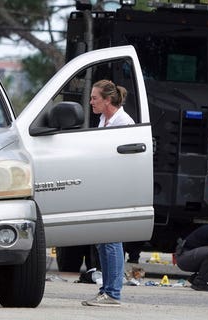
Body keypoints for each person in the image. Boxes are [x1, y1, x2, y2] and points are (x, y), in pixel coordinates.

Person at [82, 80, 135, 307]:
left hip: (117, 187)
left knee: (112, 239)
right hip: (105, 186)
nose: (91, 101)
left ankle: (113, 292)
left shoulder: (124, 122)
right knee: (103, 240)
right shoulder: (104, 120)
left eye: (94, 98)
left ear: (108, 100)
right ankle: (106, 290)